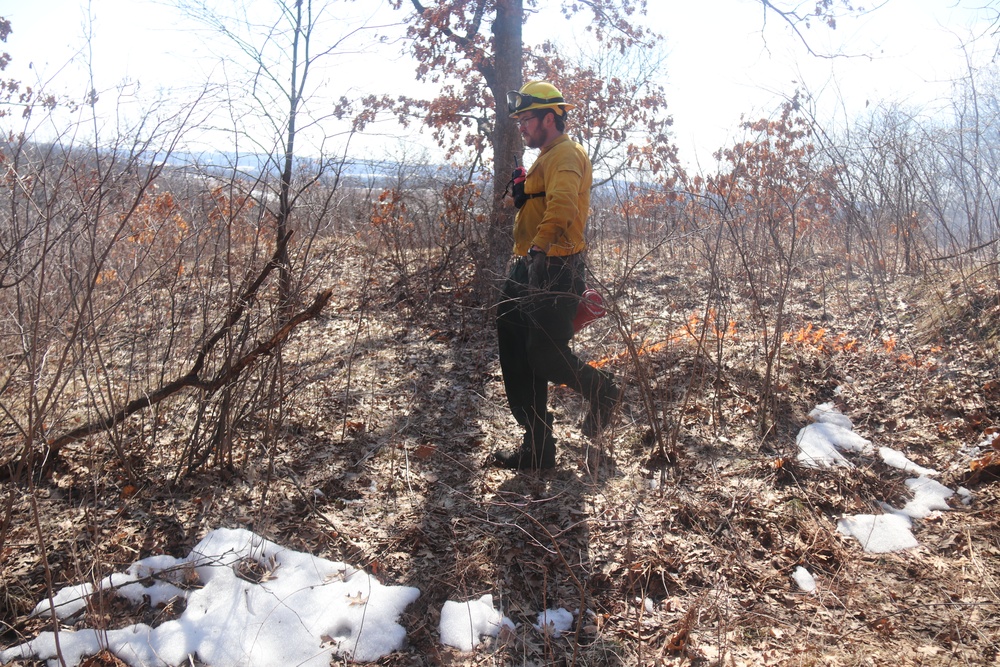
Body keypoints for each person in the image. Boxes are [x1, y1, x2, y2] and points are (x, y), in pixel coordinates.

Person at [491, 80, 621, 471]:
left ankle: (603, 390)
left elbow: (563, 206)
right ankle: (538, 447)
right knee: (515, 349)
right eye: (519, 121)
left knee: (546, 356)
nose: (522, 127)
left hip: (553, 267)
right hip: (527, 266)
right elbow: (539, 202)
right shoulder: (546, 157)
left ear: (551, 117)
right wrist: (519, 195)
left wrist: (540, 248)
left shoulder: (566, 154)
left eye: (527, 119)